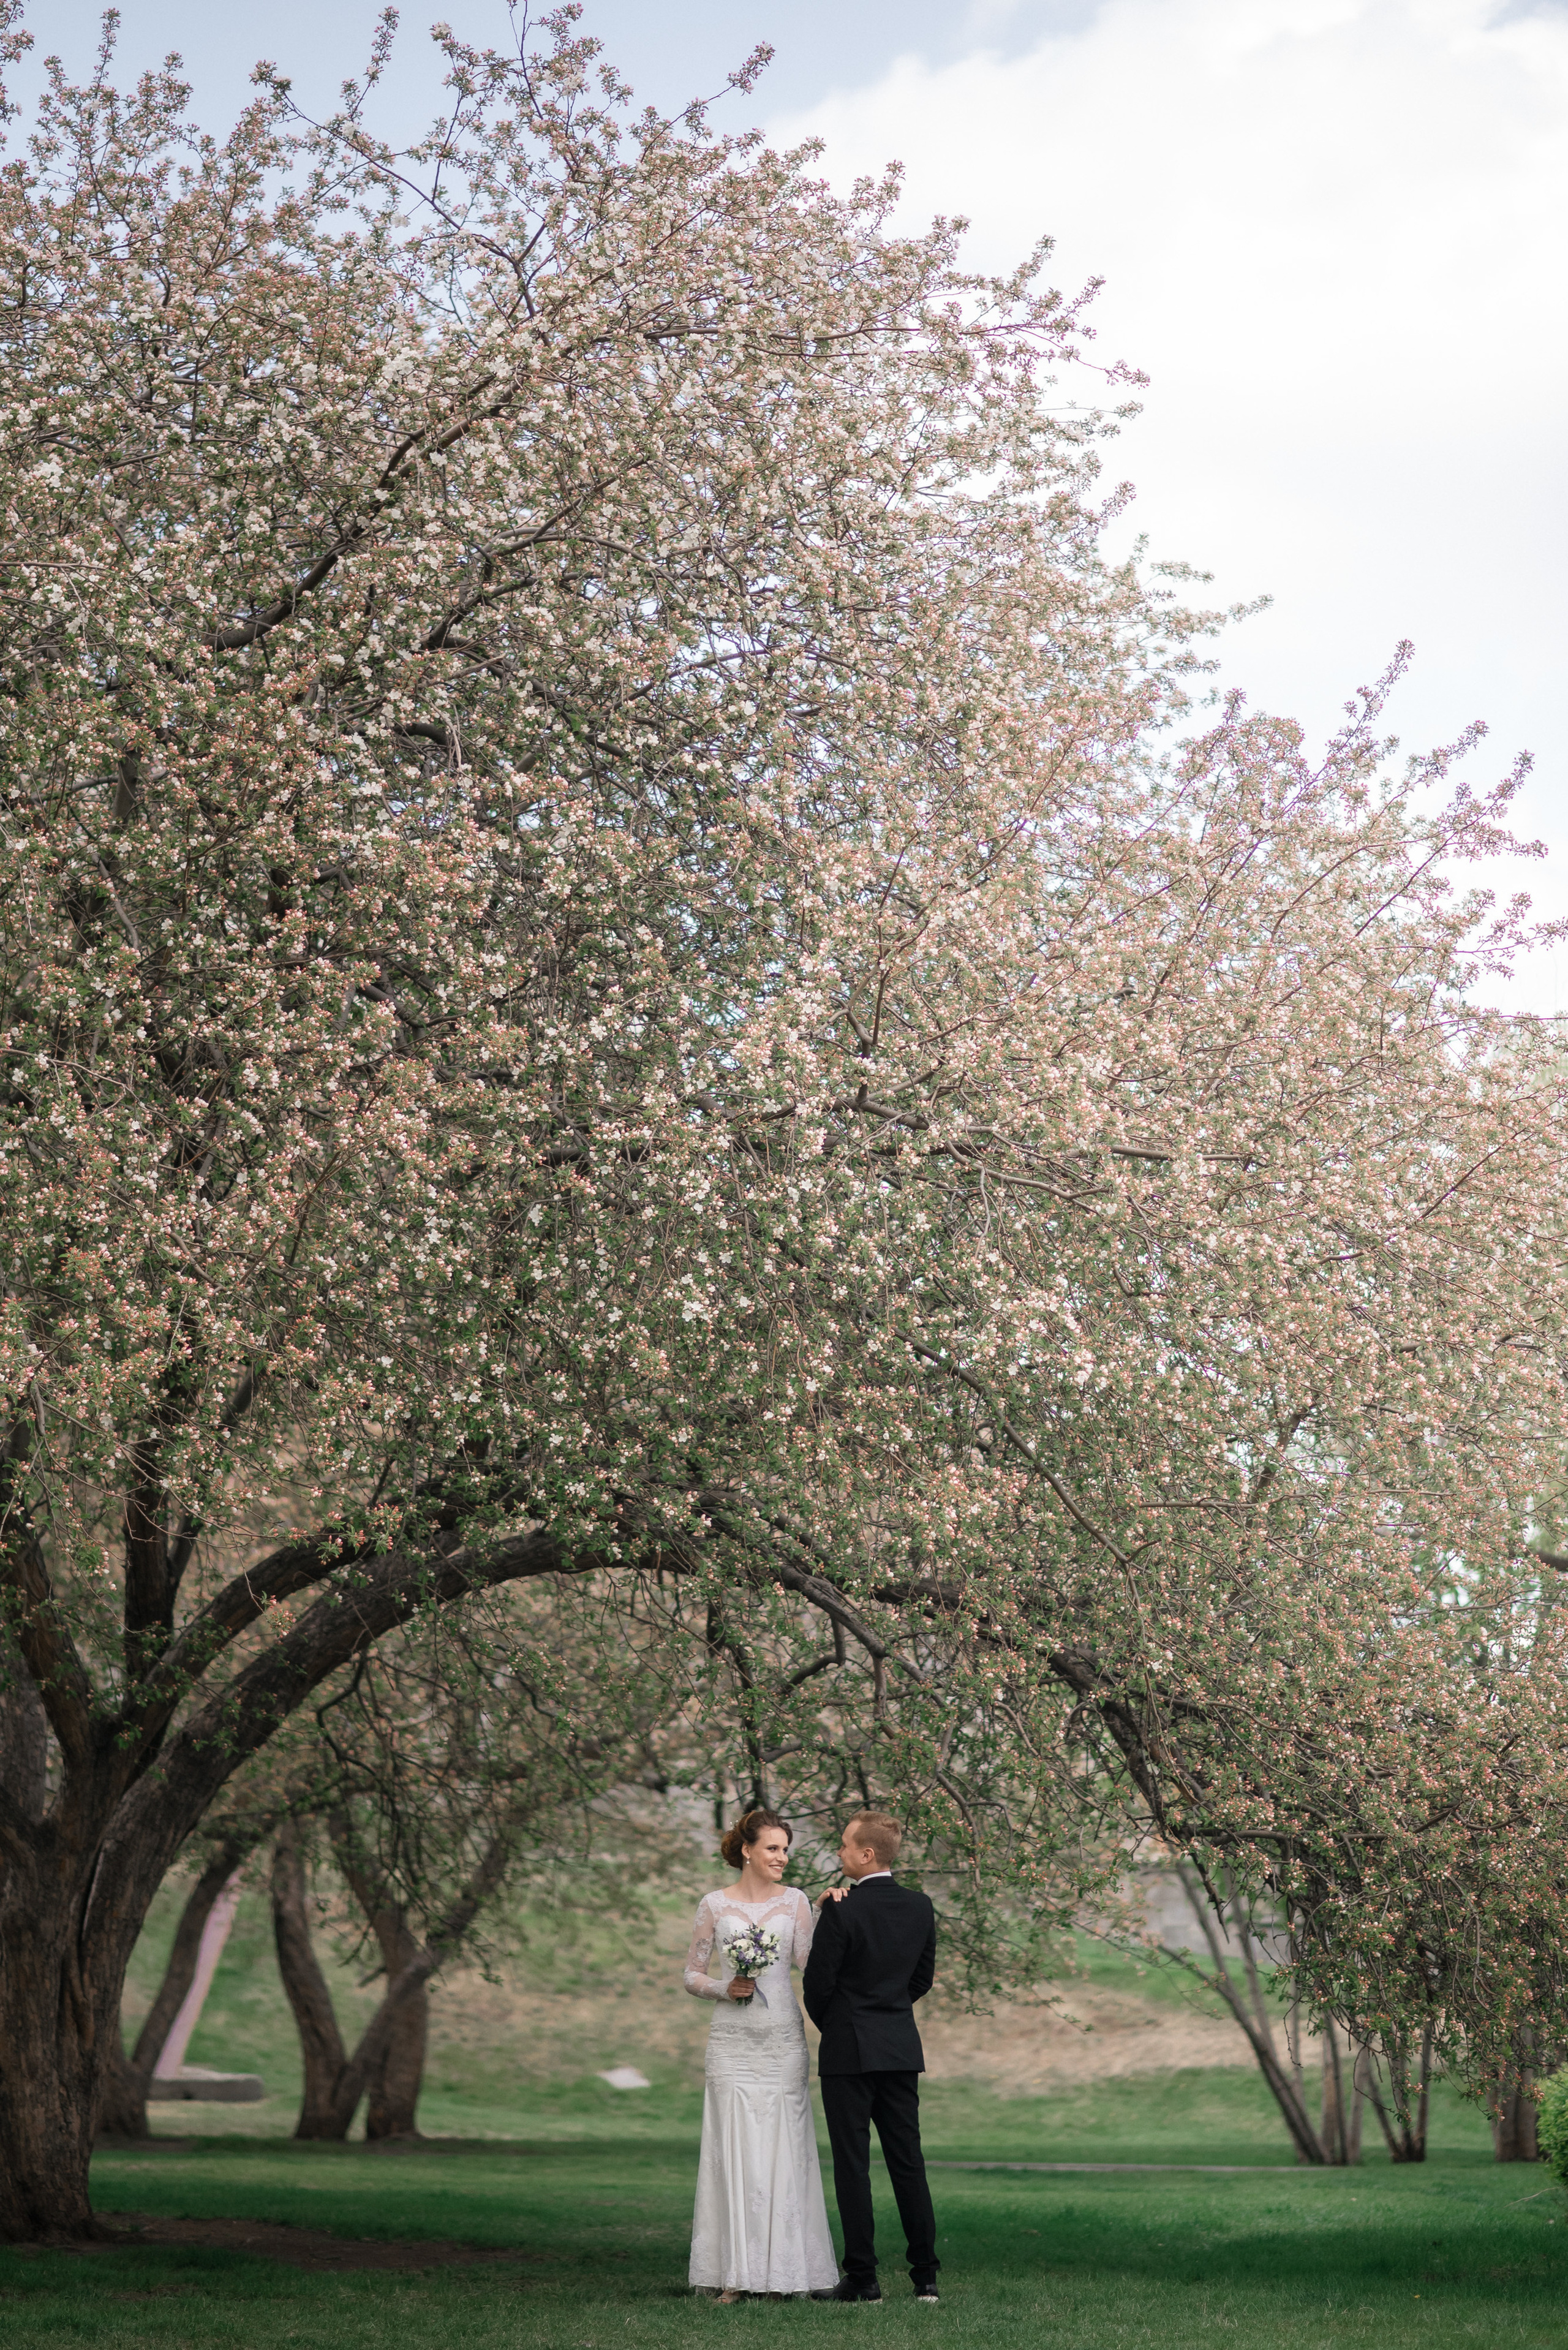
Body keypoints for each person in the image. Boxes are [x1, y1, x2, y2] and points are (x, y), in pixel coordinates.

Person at [683, 1807, 841, 2300]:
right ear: (747, 1850)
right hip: (731, 2042)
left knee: (784, 2149)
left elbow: (812, 1967)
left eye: (785, 1849)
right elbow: (691, 1974)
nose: (782, 1857)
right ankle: (735, 2275)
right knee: (732, 2150)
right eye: (773, 1848)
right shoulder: (713, 1904)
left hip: (781, 2042)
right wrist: (724, 1989)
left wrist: (834, 1910)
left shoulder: (796, 1902)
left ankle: (785, 2275)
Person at [802, 1812, 940, 2304]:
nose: (838, 1853)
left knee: (853, 2165)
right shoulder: (921, 1907)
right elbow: (920, 1980)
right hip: (901, 2047)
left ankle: (863, 2279)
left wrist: (842, 2025)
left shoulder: (842, 1910)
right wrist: (888, 2014)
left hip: (849, 2052)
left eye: (844, 1846)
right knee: (909, 2162)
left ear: (867, 1854)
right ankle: (926, 2278)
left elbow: (817, 1985)